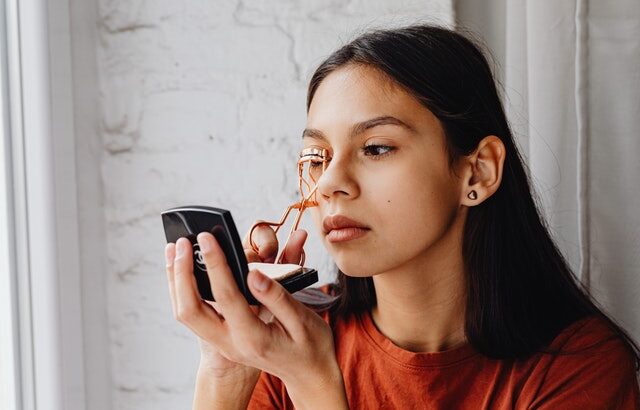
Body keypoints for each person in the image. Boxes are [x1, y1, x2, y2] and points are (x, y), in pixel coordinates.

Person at [164, 24, 640, 409]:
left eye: (375, 148)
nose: (330, 182)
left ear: (477, 171)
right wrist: (227, 371)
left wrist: (314, 387)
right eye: (316, 155)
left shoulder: (578, 368)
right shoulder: (289, 342)